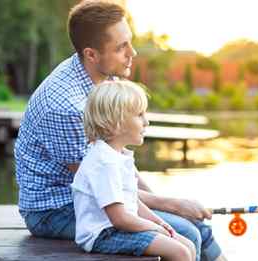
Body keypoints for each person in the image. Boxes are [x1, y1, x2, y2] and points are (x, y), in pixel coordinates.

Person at [14, 1, 225, 260]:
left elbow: (120, 164)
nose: (133, 53)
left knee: (197, 227)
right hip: (55, 209)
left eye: (130, 42)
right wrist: (170, 205)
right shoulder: (67, 108)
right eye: (121, 47)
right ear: (91, 54)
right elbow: (100, 183)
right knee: (186, 232)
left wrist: (165, 203)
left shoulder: (105, 77)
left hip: (102, 196)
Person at [72, 80, 194, 260]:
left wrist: (159, 222)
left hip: (119, 228)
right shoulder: (104, 162)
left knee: (188, 245)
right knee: (180, 252)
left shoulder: (117, 156)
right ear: (115, 123)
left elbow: (132, 202)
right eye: (140, 115)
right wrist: (155, 228)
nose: (147, 121)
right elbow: (119, 218)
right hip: (103, 235)